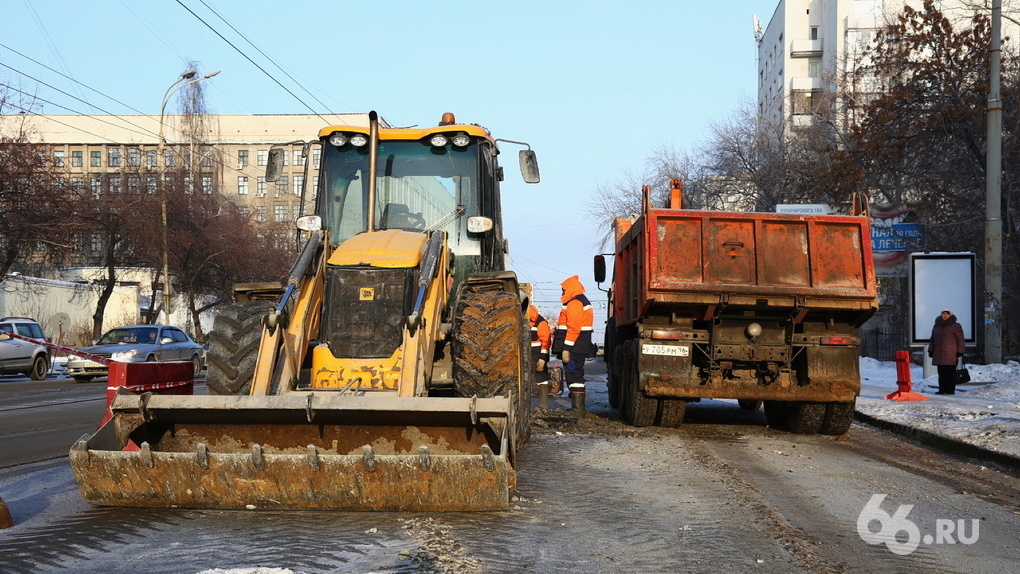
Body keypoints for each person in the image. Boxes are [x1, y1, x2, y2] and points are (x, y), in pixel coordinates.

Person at [552, 275, 594, 416]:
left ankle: (578, 409)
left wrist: (567, 349)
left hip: (574, 347)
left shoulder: (575, 302)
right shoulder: (579, 301)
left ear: (569, 289)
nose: (562, 292)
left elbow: (574, 327)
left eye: (564, 289)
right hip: (578, 346)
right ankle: (577, 408)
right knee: (575, 373)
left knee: (574, 374)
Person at [929, 308, 965, 395]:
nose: (945, 316)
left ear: (950, 315)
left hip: (951, 353)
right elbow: (932, 339)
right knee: (941, 373)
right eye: (943, 314)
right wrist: (931, 350)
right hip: (939, 353)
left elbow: (960, 339)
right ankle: (942, 389)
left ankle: (950, 390)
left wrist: (960, 351)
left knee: (950, 373)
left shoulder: (955, 326)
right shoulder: (936, 325)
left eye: (947, 314)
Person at [528, 304, 552, 409]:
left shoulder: (541, 323)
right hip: (526, 352)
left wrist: (542, 359)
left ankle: (543, 406)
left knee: (540, 376)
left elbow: (546, 342)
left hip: (537, 353)